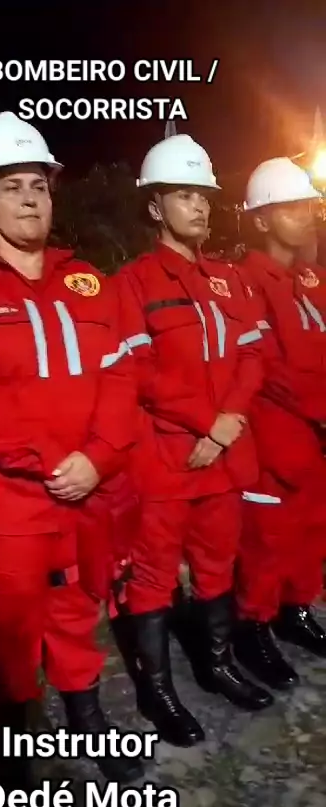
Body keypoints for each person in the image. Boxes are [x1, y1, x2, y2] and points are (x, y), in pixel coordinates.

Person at [0, 111, 143, 783]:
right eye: (11, 187)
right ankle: (16, 736)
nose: (29, 200)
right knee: (12, 628)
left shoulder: (87, 279)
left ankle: (86, 716)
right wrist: (50, 462)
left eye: (38, 186)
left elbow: (121, 375)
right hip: (4, 502)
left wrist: (98, 458)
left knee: (77, 610)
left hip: (85, 491)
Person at [109, 134, 273, 748]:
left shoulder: (228, 278)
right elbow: (140, 371)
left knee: (215, 564)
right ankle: (158, 692)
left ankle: (218, 665)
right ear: (156, 207)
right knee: (154, 575)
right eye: (184, 195)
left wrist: (226, 422)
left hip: (222, 457)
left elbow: (253, 355)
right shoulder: (133, 282)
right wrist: (207, 423)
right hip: (166, 459)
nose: (200, 206)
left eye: (203, 195)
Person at [233, 157, 326, 689]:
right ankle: (253, 628)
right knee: (267, 541)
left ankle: (296, 610)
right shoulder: (246, 281)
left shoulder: (312, 278)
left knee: (312, 532)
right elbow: (270, 370)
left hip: (314, 440)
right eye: (289, 207)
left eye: (307, 205)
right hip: (273, 437)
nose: (304, 215)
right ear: (261, 219)